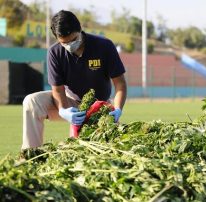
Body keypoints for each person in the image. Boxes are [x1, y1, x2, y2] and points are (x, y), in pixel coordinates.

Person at [21, 10, 127, 149]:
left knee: (101, 151)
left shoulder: (104, 46)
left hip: (100, 108)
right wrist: (63, 110)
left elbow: (120, 84)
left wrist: (117, 109)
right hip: (70, 102)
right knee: (31, 102)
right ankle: (30, 155)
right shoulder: (55, 52)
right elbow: (57, 90)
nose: (70, 45)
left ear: (80, 30)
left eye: (73, 39)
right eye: (65, 43)